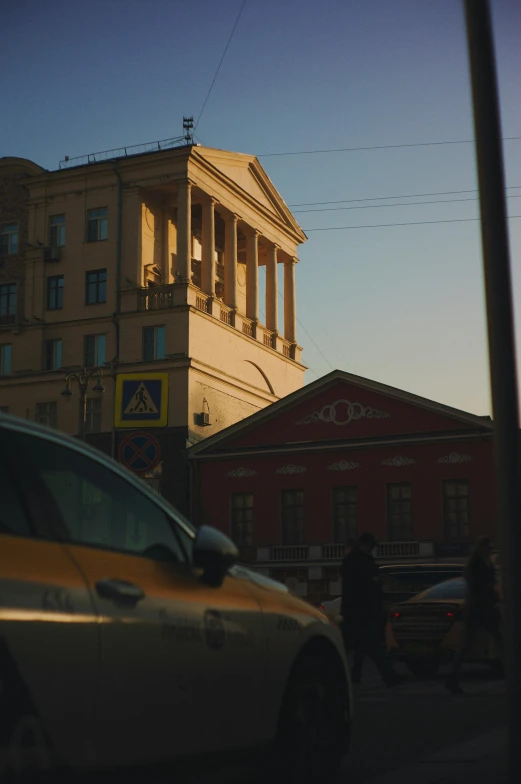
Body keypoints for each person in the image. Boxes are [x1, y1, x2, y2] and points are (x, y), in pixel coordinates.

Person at [341, 532, 400, 687]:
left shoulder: (349, 561)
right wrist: (377, 582)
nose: (373, 549)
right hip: (364, 610)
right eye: (372, 546)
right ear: (367, 545)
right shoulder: (365, 561)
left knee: (356, 646)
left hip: (351, 610)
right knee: (373, 646)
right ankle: (389, 676)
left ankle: (355, 674)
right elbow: (371, 584)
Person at [446, 535, 503, 695]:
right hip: (478, 608)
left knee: (498, 641)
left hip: (483, 607)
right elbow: (477, 586)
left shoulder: (484, 563)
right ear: (482, 548)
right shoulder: (476, 564)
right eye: (488, 547)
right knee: (469, 645)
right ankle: (452, 678)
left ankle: (452, 678)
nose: (490, 549)